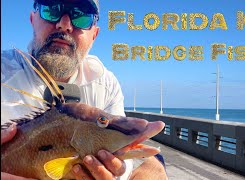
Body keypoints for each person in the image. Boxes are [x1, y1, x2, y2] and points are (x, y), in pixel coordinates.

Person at [1, 0, 167, 179]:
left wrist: (123, 169)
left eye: (81, 17)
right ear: (33, 19)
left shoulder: (105, 83)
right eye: (51, 10)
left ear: (94, 35)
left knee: (155, 169)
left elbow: (124, 164)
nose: (64, 25)